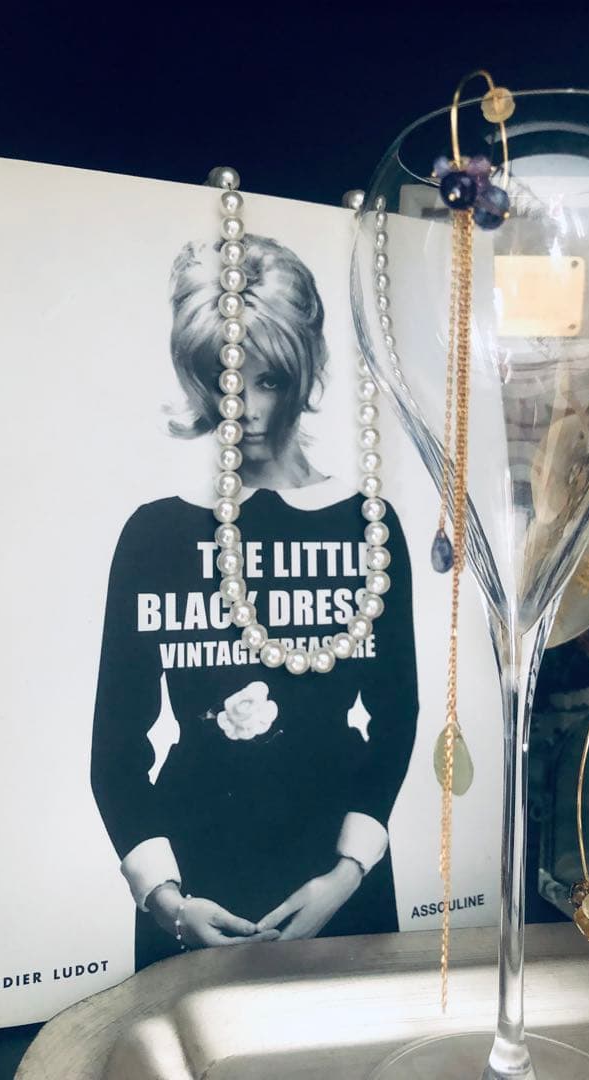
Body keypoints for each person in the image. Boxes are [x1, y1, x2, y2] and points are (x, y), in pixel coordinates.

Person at [91, 234, 419, 970]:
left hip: (339, 872)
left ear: (307, 364)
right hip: (196, 870)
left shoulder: (368, 528)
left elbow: (397, 718)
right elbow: (114, 751)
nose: (246, 409)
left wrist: (347, 876)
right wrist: (167, 900)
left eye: (269, 379)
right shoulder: (155, 535)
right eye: (223, 379)